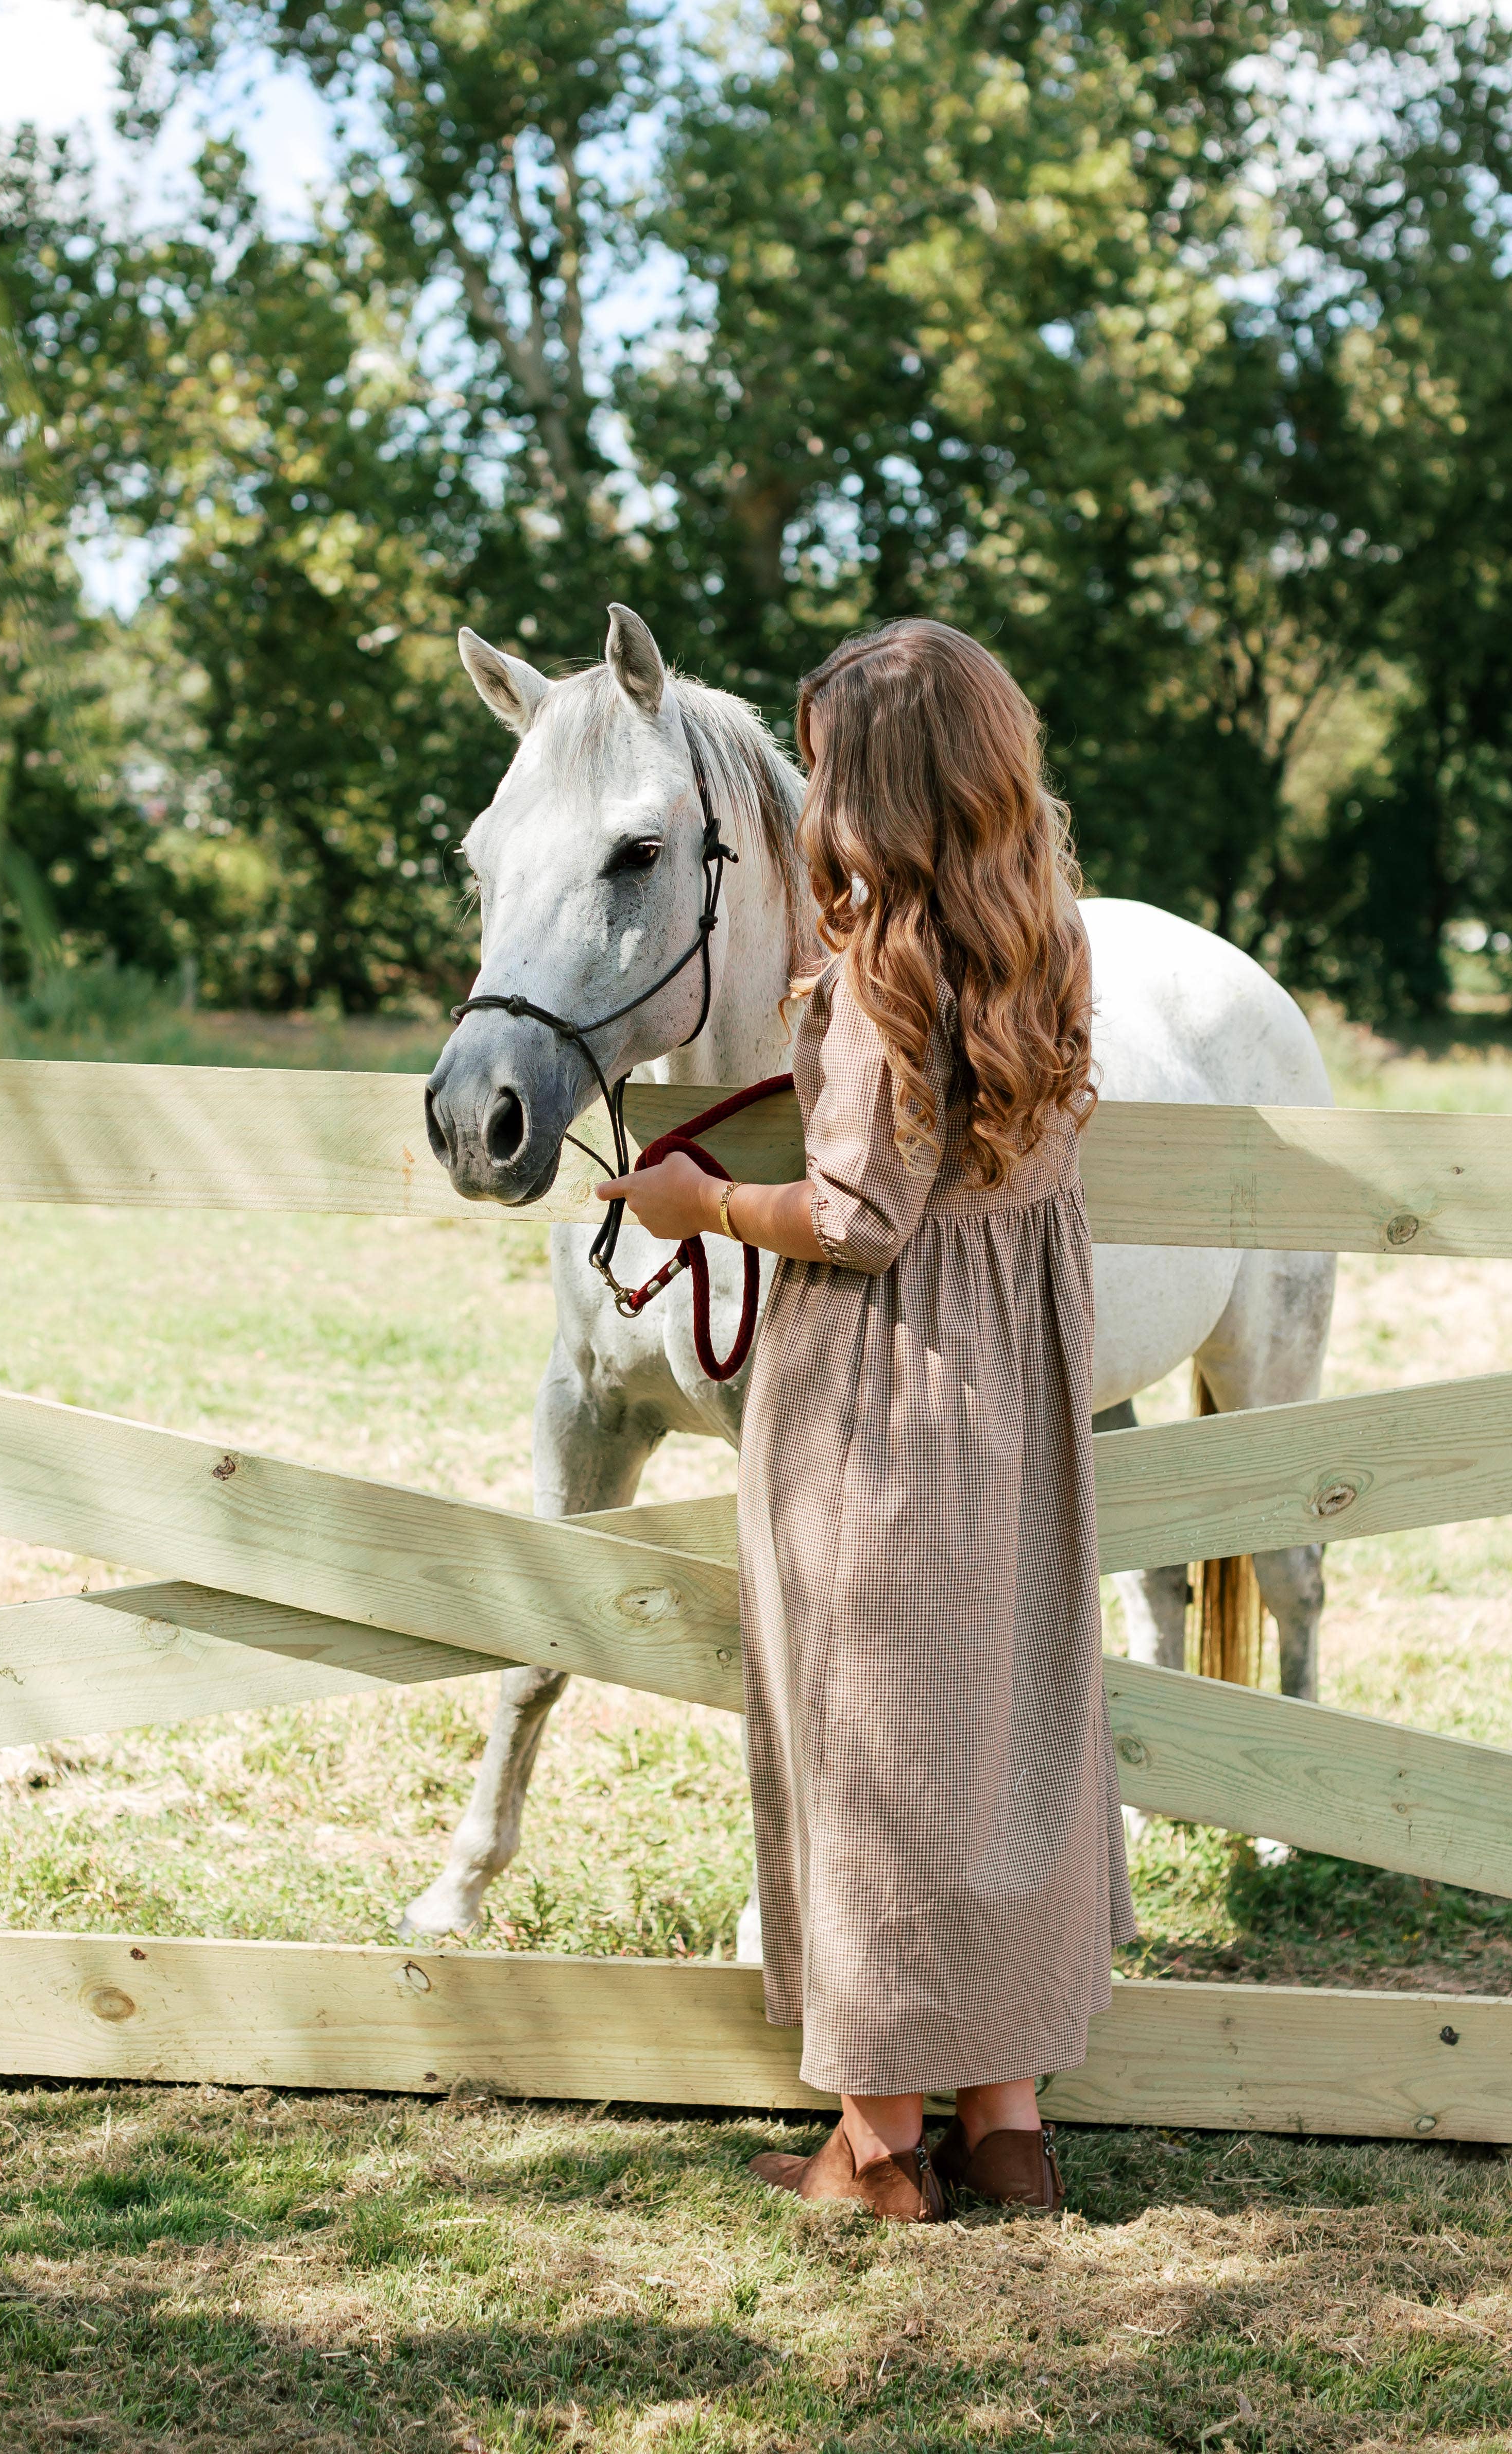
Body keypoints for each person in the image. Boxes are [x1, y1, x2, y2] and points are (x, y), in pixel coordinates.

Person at [596, 619, 1132, 2225]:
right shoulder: (1047, 939)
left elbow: (855, 1218)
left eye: (826, 771)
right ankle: (1013, 2119)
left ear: (877, 797)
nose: (811, 796)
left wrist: (703, 1199)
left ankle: (882, 2142)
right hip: (1019, 1389)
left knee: (875, 1739)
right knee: (1008, 1730)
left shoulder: (873, 988)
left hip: (886, 1391)